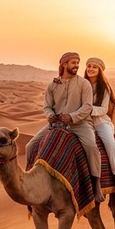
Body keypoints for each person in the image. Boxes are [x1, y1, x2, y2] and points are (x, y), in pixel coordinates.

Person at [26, 52, 105, 203]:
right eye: (73, 63)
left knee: (91, 147)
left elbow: (87, 107)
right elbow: (47, 106)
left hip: (80, 124)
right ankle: (30, 182)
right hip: (56, 125)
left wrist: (72, 117)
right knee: (31, 146)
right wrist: (49, 115)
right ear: (64, 64)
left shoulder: (83, 83)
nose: (76, 66)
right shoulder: (53, 85)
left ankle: (96, 185)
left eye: (77, 63)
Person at [84, 57, 115, 189]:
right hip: (84, 122)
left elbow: (103, 109)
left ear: (100, 70)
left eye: (94, 67)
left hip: (100, 122)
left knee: (111, 144)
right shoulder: (81, 84)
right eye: (89, 66)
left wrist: (87, 110)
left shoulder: (104, 88)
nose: (91, 69)